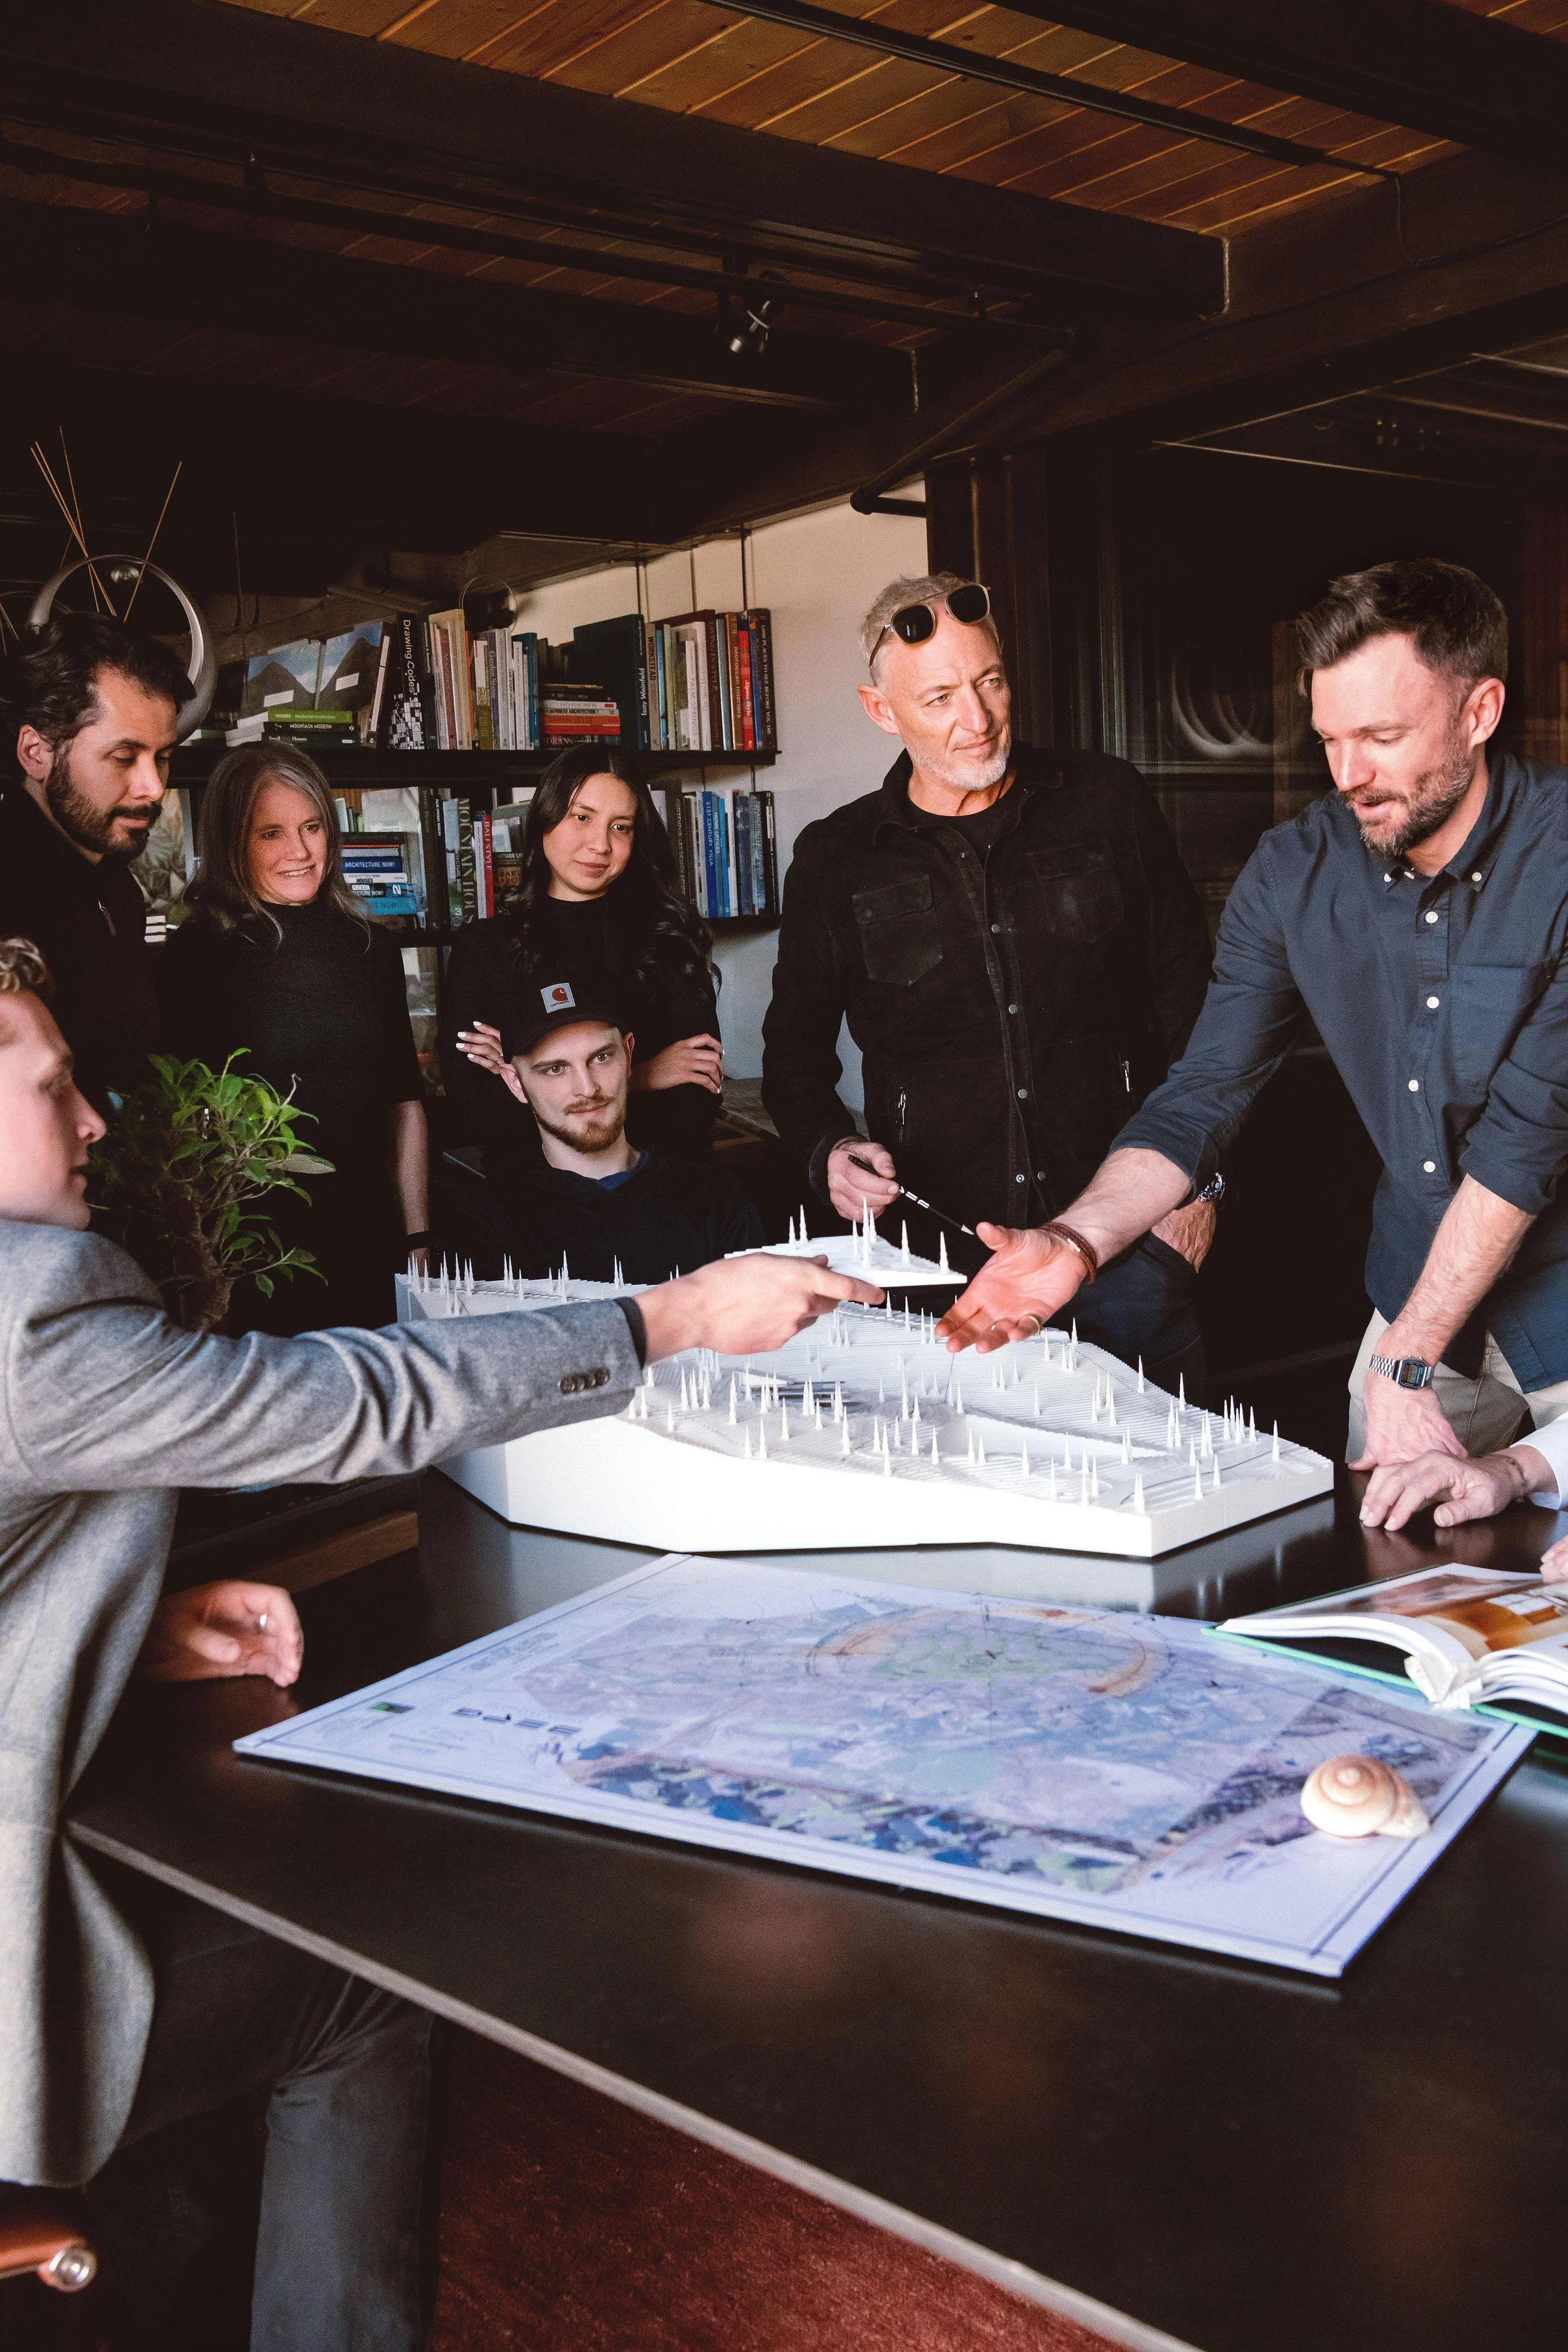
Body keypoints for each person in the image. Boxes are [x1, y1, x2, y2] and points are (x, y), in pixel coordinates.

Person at [0, 930, 879, 2348]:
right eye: (52, 1088)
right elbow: (353, 1399)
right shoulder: (28, 1311)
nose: (97, 1117)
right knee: (355, 1984)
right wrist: (673, 1316)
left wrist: (131, 1626)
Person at [934, 558, 1568, 1493]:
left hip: (1553, 1291)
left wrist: (1405, 1362)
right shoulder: (1293, 871)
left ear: (1479, 713)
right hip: (1415, 1284)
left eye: (1383, 736)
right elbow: (1203, 1093)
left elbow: (1524, 1146)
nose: (1349, 775)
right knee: (1393, 1579)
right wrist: (1074, 1242)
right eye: (1329, 739)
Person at [761, 572, 1217, 1396]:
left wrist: (1201, 1188)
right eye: (938, 698)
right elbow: (792, 1055)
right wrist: (827, 1151)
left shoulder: (1106, 800)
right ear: (881, 710)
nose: (976, 720)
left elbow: (1196, 1003)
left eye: (990, 682)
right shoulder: (837, 857)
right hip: (941, 1270)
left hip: (1128, 1253)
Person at [159, 743, 431, 1333]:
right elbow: (178, 1130)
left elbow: (403, 1102)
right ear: (232, 842)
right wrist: (196, 1261)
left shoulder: (372, 948)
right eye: (271, 834)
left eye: (312, 827)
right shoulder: (194, 957)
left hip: (367, 1225)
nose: (301, 852)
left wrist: (418, 1236)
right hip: (252, 1244)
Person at [441, 747, 723, 1173]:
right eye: (582, 817)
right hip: (536, 1203)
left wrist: (535, 1077)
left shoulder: (671, 939)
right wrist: (644, 1075)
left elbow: (693, 1106)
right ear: (545, 820)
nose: (600, 845)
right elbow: (480, 1116)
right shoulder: (483, 949)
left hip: (666, 1189)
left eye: (621, 827)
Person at [0, 612, 189, 1109]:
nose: (153, 788)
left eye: (163, 757)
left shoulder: (115, 885)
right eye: (125, 757)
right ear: (36, 752)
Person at [447, 1000, 764, 1283]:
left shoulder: (716, 1199)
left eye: (601, 1058)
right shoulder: (487, 1222)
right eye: (555, 1069)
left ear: (628, 1055)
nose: (587, 1088)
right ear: (515, 1082)